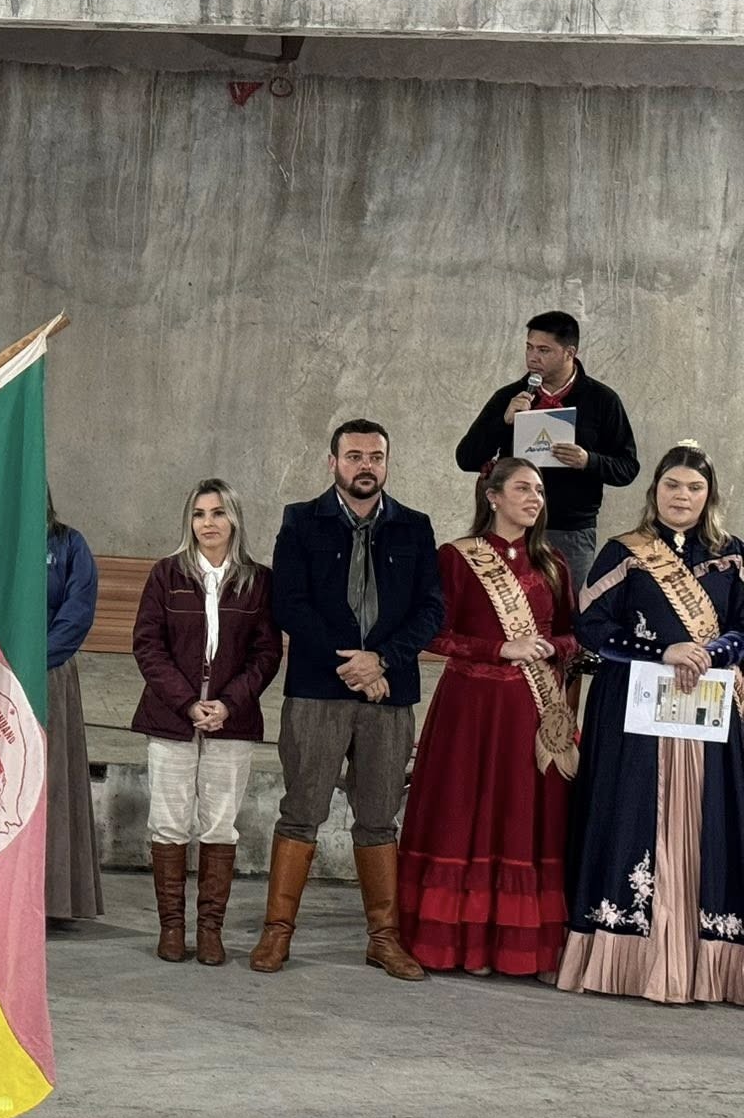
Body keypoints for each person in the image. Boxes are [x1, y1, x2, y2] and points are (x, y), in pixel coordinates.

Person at [253, 419, 444, 980]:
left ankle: (384, 939)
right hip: (317, 692)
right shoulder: (301, 521)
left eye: (376, 456)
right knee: (302, 811)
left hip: (390, 694)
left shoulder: (414, 527)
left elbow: (431, 611)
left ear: (388, 463)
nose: (366, 465)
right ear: (331, 461)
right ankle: (276, 933)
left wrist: (382, 661)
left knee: (379, 817)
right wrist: (355, 667)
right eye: (354, 455)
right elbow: (289, 604)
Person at [557, 443, 744, 1006]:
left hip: (708, 711)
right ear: (654, 491)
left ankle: (708, 962)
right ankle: (624, 957)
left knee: (708, 819)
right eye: (671, 486)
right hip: (634, 712)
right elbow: (590, 626)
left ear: (708, 495)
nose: (681, 497)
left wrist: (713, 651)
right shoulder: (624, 551)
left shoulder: (732, 556)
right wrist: (663, 649)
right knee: (632, 813)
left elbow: (743, 629)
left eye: (693, 488)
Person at [396, 459, 578, 977]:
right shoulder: (456, 558)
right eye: (523, 488)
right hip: (472, 711)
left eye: (540, 490)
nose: (535, 498)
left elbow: (573, 634)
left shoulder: (553, 563)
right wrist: (501, 647)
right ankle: (463, 942)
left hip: (533, 714)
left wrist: (549, 646)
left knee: (525, 820)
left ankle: (522, 945)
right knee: (465, 813)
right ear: (493, 496)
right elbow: (435, 633)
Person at [130, 479, 281, 965]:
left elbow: (265, 653)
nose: (208, 523)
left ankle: (210, 931)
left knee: (219, 826)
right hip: (172, 718)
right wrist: (187, 703)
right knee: (170, 823)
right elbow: (147, 647)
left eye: (218, 513)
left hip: (230, 721)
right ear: (189, 522)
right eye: (199, 514)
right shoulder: (165, 574)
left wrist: (228, 704)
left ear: (234, 519)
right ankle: (172, 929)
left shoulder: (257, 580)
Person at [454, 310, 639, 593]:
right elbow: (466, 458)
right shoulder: (511, 396)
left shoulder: (601, 400)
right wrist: (503, 423)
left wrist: (588, 460)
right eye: (529, 347)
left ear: (569, 353)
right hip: (511, 527)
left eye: (544, 350)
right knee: (506, 610)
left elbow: (627, 467)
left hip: (571, 532)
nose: (533, 357)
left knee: (568, 615)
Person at [45, 494, 101, 923]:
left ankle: (51, 899)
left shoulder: (69, 545)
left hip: (49, 675)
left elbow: (76, 612)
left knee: (52, 785)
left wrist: (35, 658)